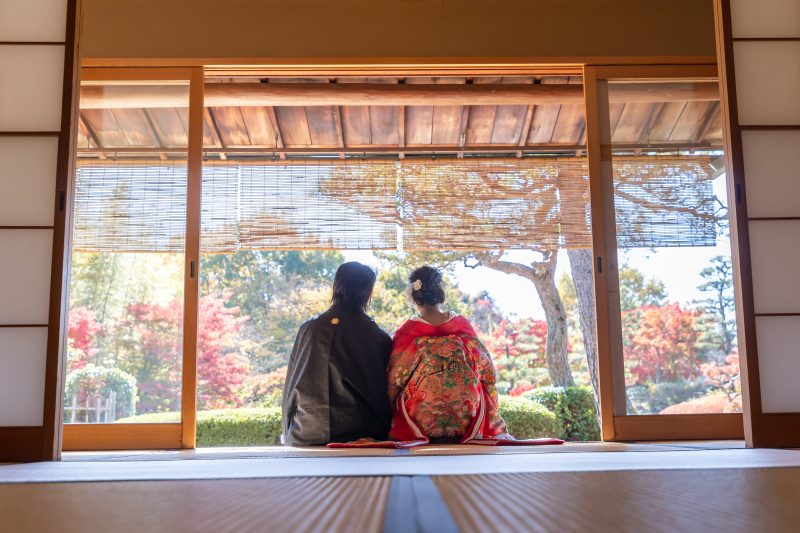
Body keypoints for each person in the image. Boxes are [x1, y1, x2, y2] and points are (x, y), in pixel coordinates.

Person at [386, 266, 520, 445]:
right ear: (441, 293)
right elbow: (487, 372)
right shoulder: (462, 327)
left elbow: (394, 379)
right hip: (466, 419)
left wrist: (388, 413)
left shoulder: (407, 333)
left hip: (419, 421)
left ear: (413, 295)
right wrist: (492, 405)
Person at [282, 262, 393, 446]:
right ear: (368, 294)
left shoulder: (308, 329)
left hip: (305, 433)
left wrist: (288, 435)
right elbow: (388, 393)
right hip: (363, 436)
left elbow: (289, 389)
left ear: (335, 287)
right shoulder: (378, 336)